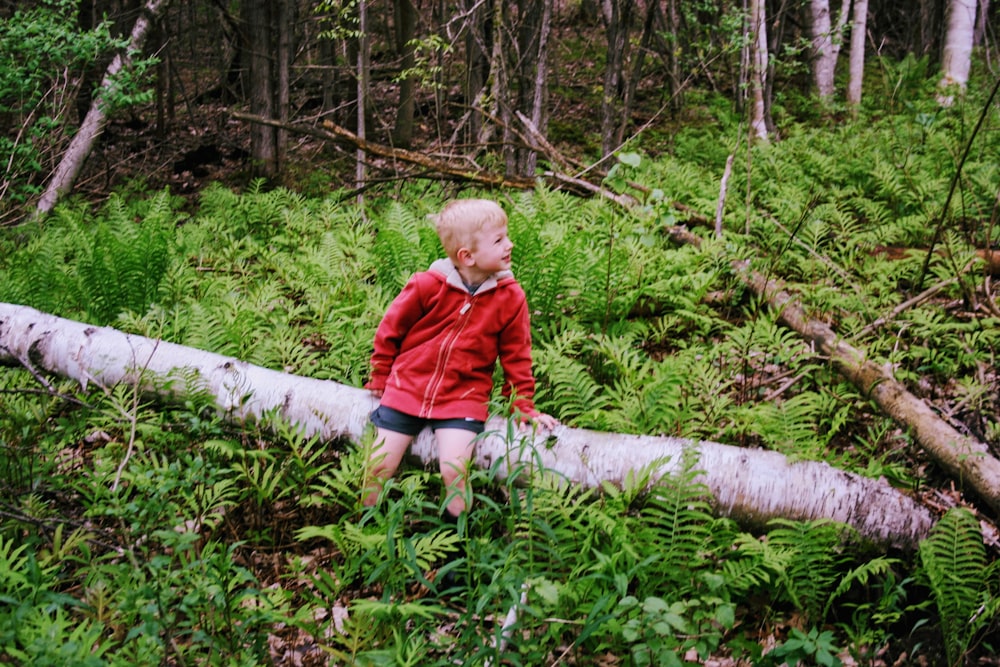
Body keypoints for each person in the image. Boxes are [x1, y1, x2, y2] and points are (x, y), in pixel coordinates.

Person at [363, 198, 559, 520]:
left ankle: (455, 543)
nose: (509, 244)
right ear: (466, 256)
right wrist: (381, 373)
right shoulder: (427, 285)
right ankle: (365, 531)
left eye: (506, 235)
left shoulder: (509, 297)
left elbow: (517, 356)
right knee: (379, 465)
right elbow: (391, 328)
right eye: (498, 240)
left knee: (454, 471)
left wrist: (522, 405)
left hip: (462, 399)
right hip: (407, 389)